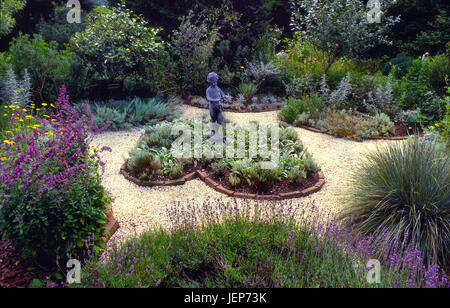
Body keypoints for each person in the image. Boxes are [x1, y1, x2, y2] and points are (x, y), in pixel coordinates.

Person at [206, 72, 231, 141]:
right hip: (212, 107)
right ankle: (214, 134)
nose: (215, 83)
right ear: (210, 82)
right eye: (213, 82)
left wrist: (227, 98)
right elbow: (208, 98)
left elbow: (222, 95)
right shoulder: (208, 90)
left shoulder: (218, 88)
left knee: (220, 121)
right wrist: (216, 99)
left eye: (216, 82)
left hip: (218, 107)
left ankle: (218, 134)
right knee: (213, 120)